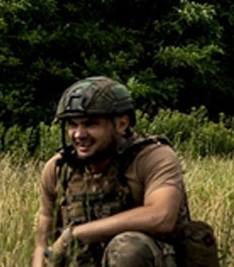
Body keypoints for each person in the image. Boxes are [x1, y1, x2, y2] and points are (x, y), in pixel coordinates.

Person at [33, 76, 218, 267]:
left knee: (128, 249)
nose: (79, 134)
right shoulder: (58, 169)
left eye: (90, 124)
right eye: (72, 124)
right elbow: (43, 245)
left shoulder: (153, 157)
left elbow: (162, 217)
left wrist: (77, 234)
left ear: (122, 124)